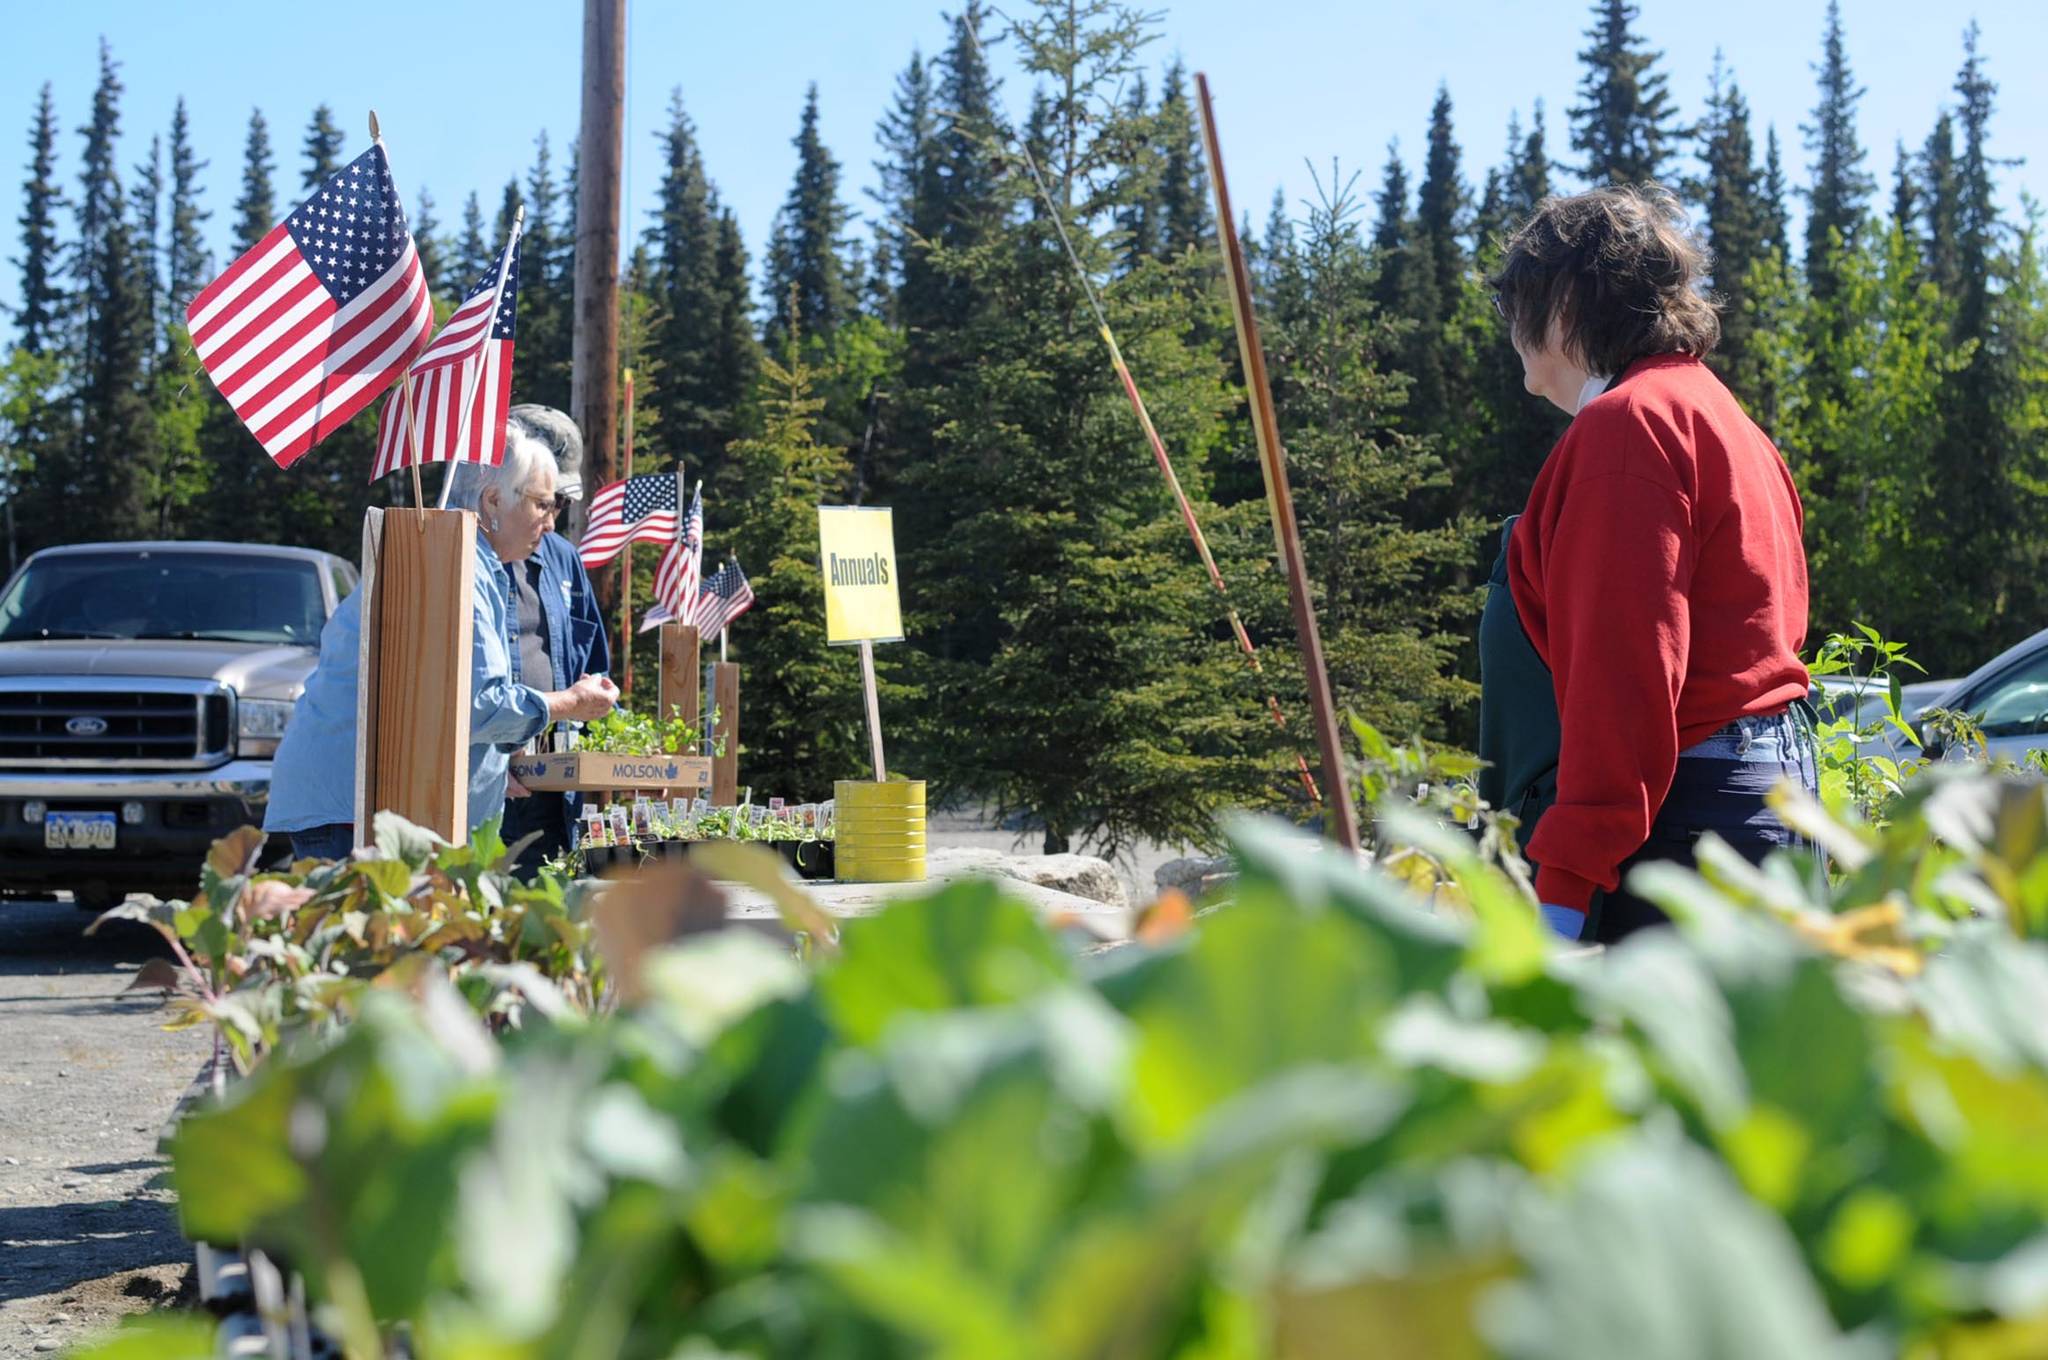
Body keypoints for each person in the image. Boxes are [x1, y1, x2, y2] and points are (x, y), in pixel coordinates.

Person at [1477, 185, 1815, 945]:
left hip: (1686, 841)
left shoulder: (1626, 429)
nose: (1510, 331)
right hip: (1767, 814)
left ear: (1564, 306)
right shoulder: (1725, 419)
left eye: (1516, 305)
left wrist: (1559, 898)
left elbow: (1623, 679)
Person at [264, 433, 619, 861]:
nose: (551, 523)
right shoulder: (456, 563)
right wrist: (571, 702)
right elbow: (480, 706)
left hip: (369, 799)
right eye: (543, 504)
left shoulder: (454, 555)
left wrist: (497, 752)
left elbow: (440, 701)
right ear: (492, 501)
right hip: (361, 805)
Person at [473, 406, 612, 872]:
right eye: (544, 502)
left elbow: (592, 665)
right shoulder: (464, 554)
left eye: (560, 504)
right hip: (486, 781)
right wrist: (497, 751)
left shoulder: (561, 557)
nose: (554, 518)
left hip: (554, 790)